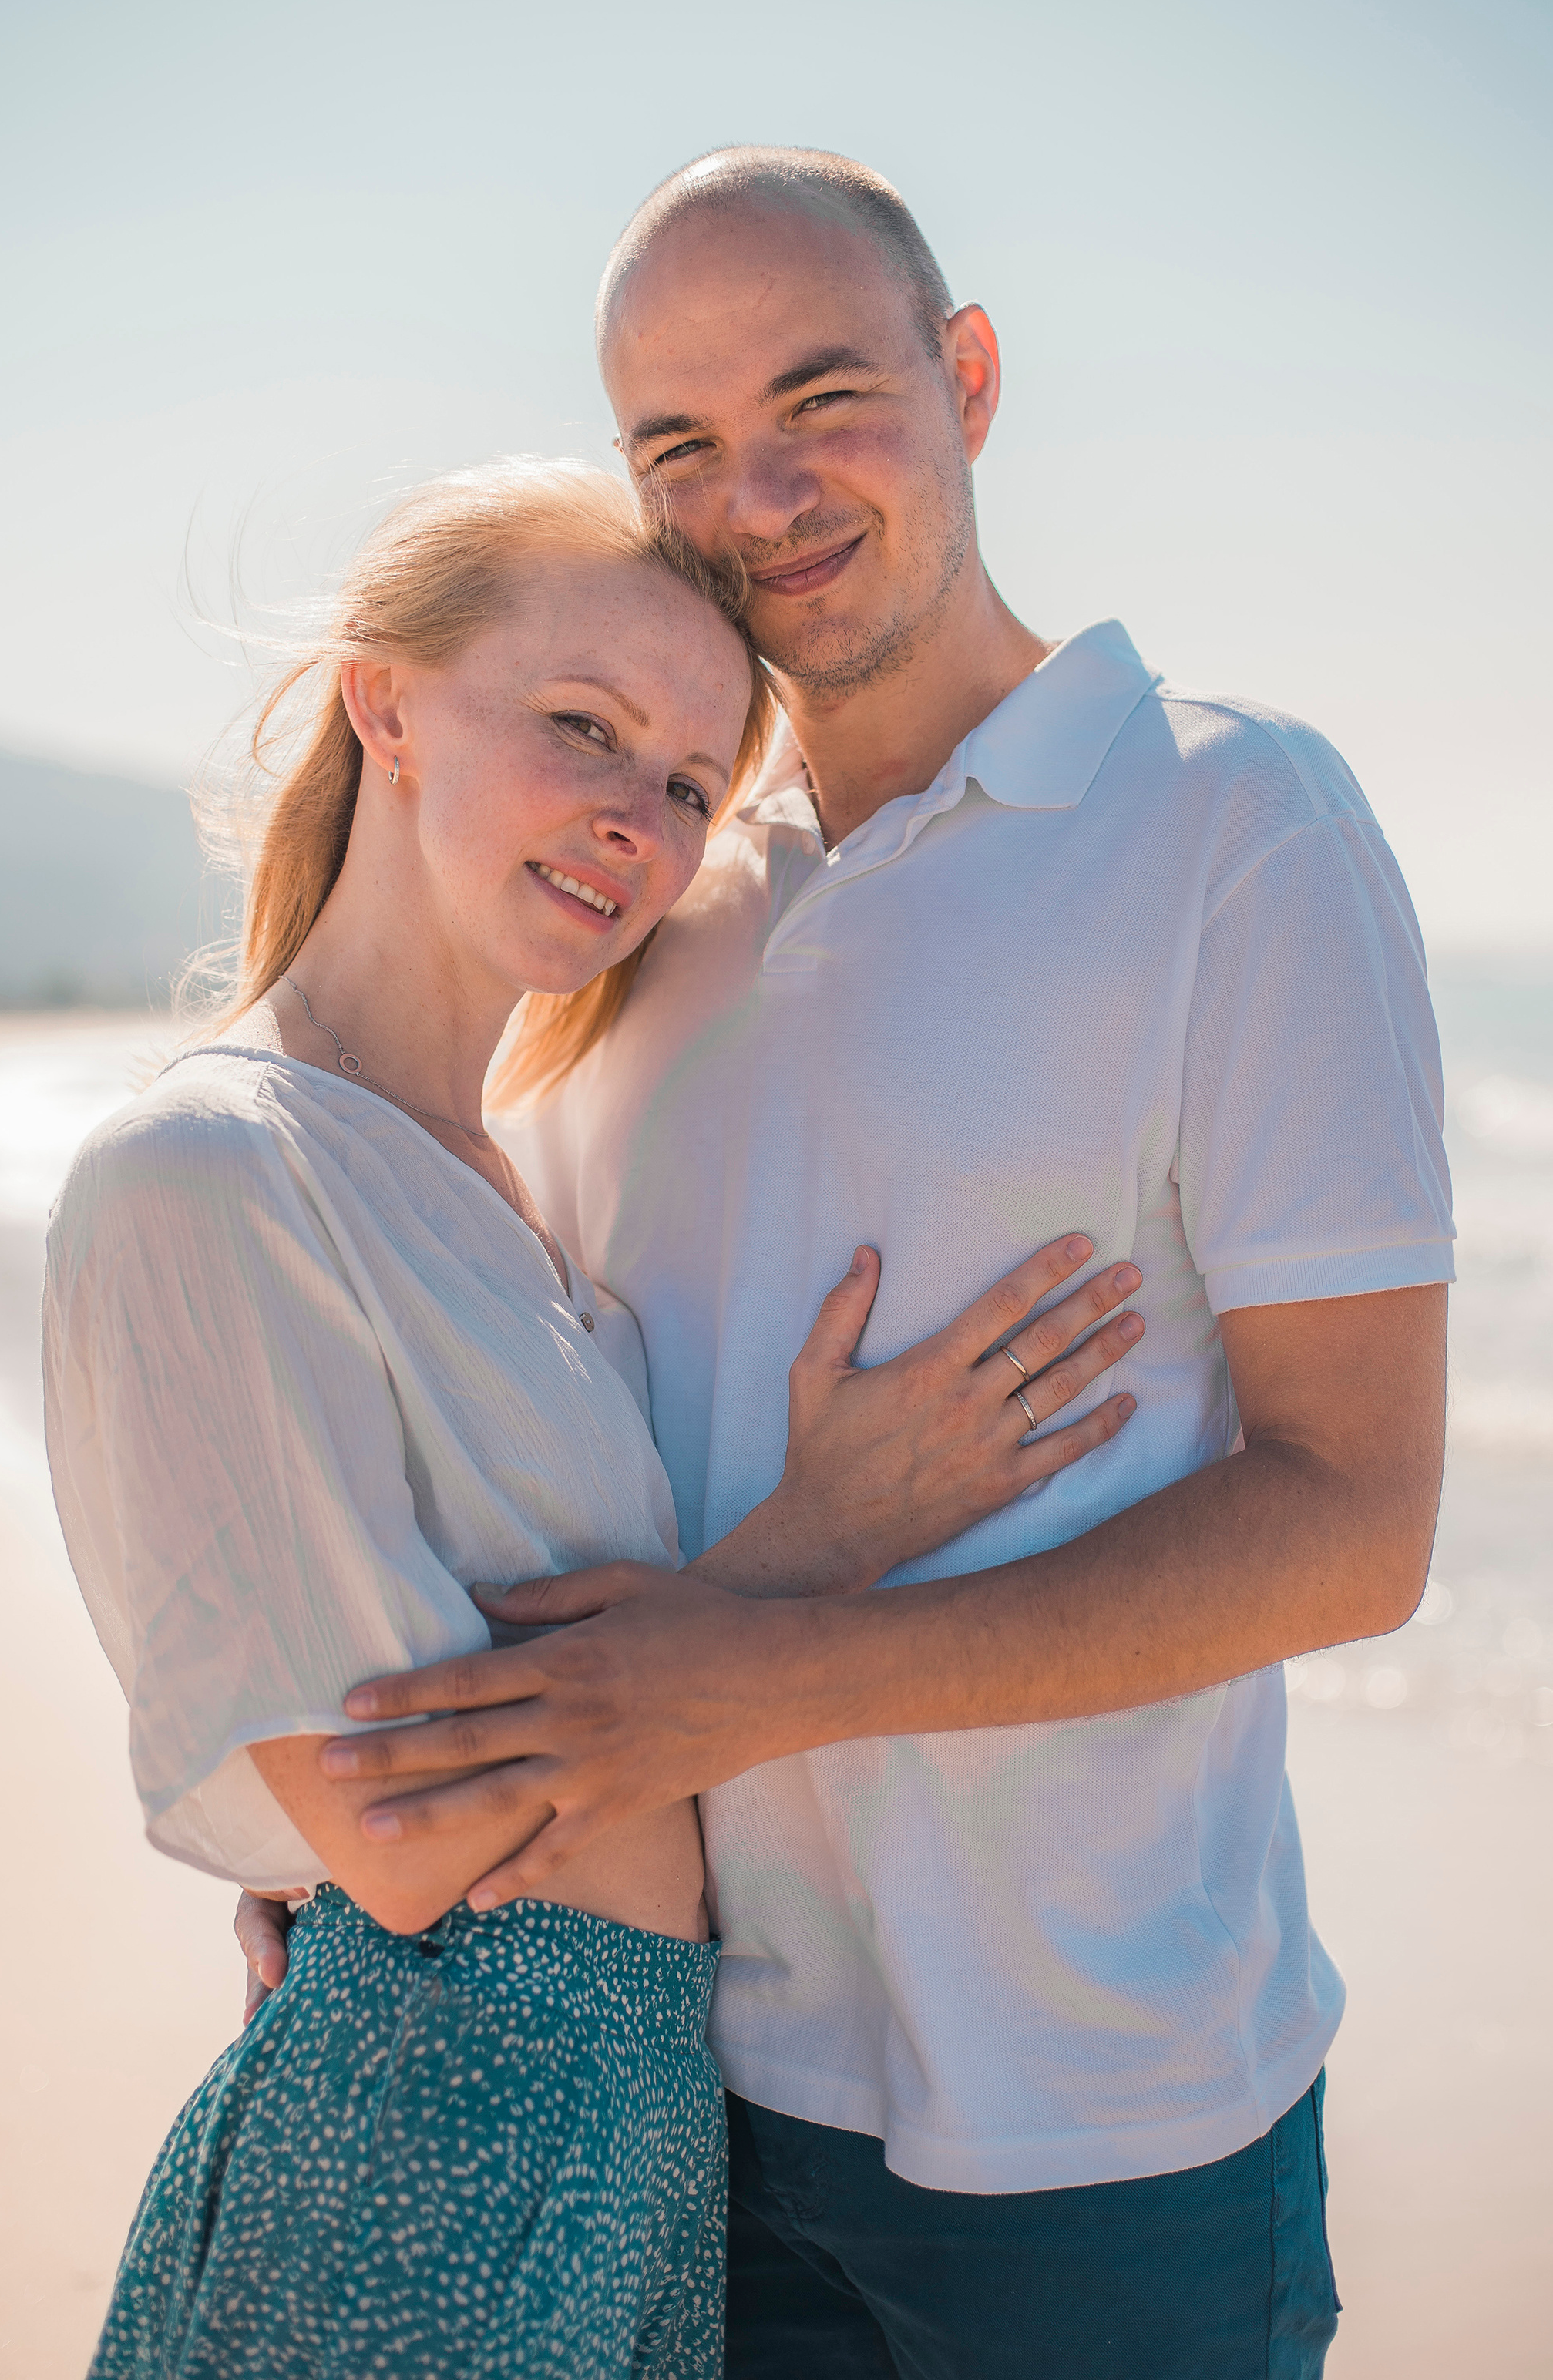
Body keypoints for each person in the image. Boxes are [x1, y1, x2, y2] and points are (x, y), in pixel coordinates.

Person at [237, 150, 1454, 2378]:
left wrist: (765, 1670)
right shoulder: (637, 912)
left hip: (1114, 2133)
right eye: (677, 446)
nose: (758, 493)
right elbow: (520, 1447)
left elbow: (1355, 1521)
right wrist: (349, 1845)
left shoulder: (1229, 824)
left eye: (823, 398)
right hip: (673, 2088)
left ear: (967, 378)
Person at [47, 459, 1146, 2379]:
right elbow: (395, 1841)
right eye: (582, 730)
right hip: (426, 2133)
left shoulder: (514, 1187)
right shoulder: (208, 1173)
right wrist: (826, 1536)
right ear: (384, 700)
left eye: (691, 786)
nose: (637, 822)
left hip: (630, 2123)